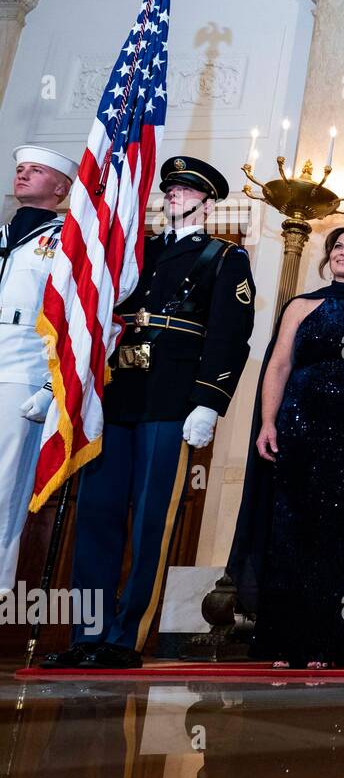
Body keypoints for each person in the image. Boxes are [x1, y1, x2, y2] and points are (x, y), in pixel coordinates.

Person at [42, 157, 255, 670]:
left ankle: (124, 637)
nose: (174, 195)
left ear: (208, 200)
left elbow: (230, 336)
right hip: (118, 395)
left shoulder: (225, 258)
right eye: (171, 188)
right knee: (97, 515)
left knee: (150, 523)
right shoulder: (137, 252)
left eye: (186, 190)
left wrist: (209, 401)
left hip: (171, 400)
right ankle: (86, 633)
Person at [227, 227, 344, 669]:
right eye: (338, 247)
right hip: (301, 427)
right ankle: (285, 640)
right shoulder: (301, 306)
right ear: (328, 257)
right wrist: (267, 421)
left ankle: (333, 640)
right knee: (293, 530)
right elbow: (279, 364)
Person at [0, 146, 77, 593]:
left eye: (37, 170)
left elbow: (75, 314)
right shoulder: (4, 233)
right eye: (21, 169)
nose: (24, 175)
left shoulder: (67, 237)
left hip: (25, 366)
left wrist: (53, 383)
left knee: (6, 482)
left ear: (61, 187)